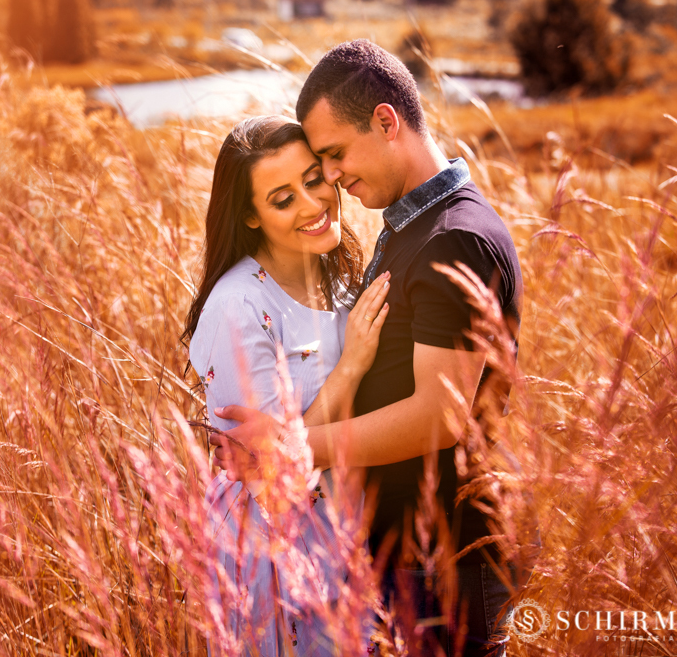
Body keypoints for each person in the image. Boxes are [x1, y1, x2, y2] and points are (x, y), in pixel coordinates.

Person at [212, 40, 529, 657]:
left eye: (334, 155)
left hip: (449, 558)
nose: (330, 176)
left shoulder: (453, 239)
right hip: (407, 552)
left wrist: (294, 448)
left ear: (387, 122)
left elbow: (440, 414)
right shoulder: (411, 229)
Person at [182, 115, 388, 655]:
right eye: (282, 198)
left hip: (349, 533)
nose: (311, 205)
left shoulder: (342, 280)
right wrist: (351, 368)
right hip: (271, 547)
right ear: (250, 214)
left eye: (313, 180)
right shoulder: (239, 307)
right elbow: (270, 470)